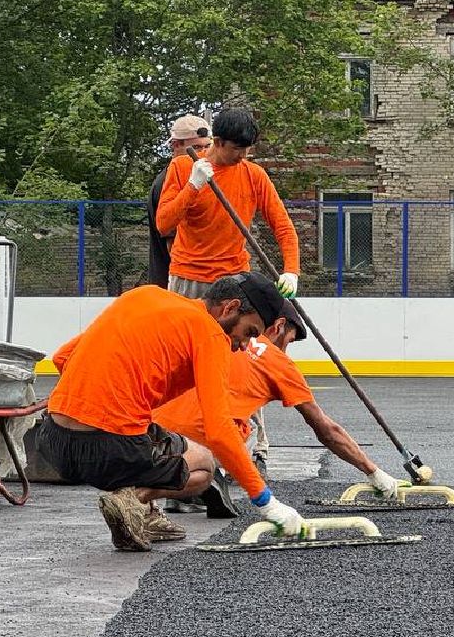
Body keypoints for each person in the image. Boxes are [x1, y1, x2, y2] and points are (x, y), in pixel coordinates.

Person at [36, 272, 309, 550]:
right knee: (204, 465)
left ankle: (147, 515)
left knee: (151, 430)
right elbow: (218, 430)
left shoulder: (142, 295)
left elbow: (62, 357)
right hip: (110, 450)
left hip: (53, 441)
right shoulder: (212, 334)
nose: (245, 345)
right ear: (230, 308)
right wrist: (267, 503)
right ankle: (133, 502)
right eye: (249, 332)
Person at [153, 296, 405, 514]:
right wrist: (373, 472)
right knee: (249, 429)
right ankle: (199, 479)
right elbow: (326, 430)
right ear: (278, 326)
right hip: (202, 440)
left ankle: (174, 489)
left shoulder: (222, 336)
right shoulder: (280, 364)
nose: (286, 350)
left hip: (153, 432)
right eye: (289, 341)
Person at [155, 107, 300, 302]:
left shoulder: (254, 175)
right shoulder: (182, 167)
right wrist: (192, 186)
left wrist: (291, 271)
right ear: (218, 142)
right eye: (237, 148)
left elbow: (283, 226)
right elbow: (163, 224)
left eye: (247, 148)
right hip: (189, 277)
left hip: (235, 279)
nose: (243, 155)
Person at [147, 114, 213, 288]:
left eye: (208, 146)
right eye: (196, 147)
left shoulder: (194, 177)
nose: (203, 154)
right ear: (176, 145)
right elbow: (172, 241)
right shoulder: (168, 182)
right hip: (178, 281)